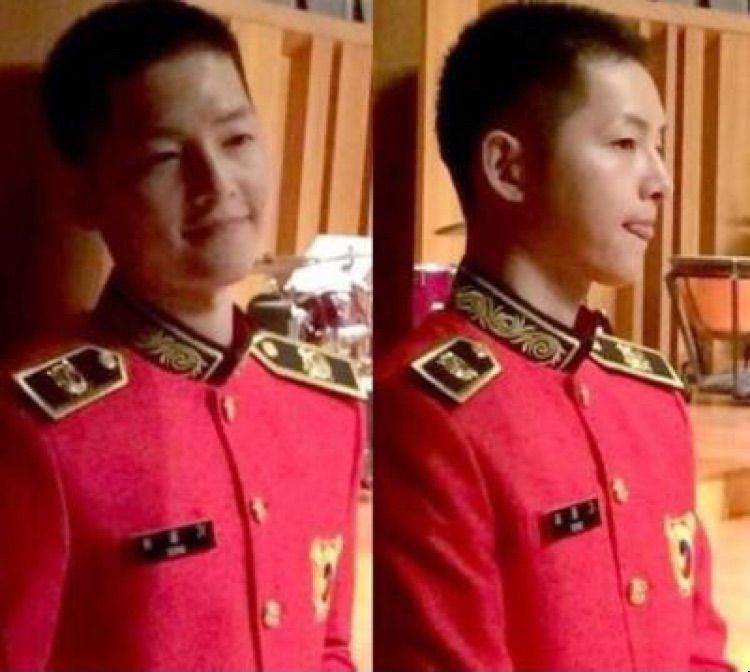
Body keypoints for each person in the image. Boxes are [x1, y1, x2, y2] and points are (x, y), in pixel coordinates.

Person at [0, 1, 364, 670]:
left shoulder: (327, 405)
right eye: (165, 157)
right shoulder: (36, 429)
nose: (216, 184)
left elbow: (330, 647)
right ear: (84, 193)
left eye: (237, 139)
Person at [375, 3, 734, 670]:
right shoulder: (427, 412)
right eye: (624, 144)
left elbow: (700, 650)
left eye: (658, 145)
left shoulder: (650, 396)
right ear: (508, 167)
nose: (660, 180)